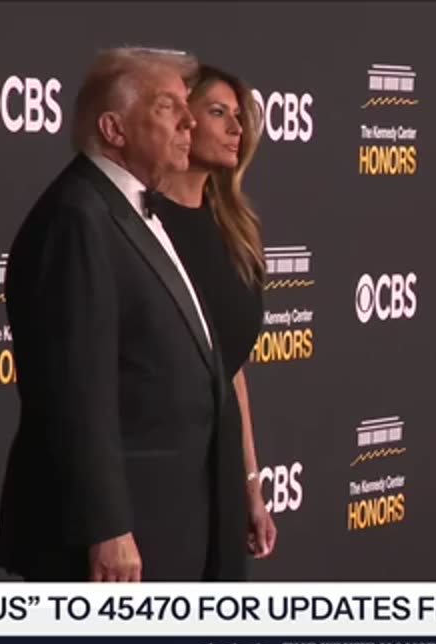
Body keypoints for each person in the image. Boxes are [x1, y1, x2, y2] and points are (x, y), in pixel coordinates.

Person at [0, 46, 244, 644]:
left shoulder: (128, 210)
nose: (188, 122)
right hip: (108, 544)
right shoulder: (79, 215)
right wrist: (107, 527)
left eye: (188, 108)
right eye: (168, 108)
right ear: (113, 128)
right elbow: (75, 390)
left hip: (164, 528)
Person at [153, 64, 278, 565]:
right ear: (184, 120)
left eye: (239, 117)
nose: (235, 128)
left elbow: (229, 368)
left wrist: (251, 486)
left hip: (221, 462)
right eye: (219, 112)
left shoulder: (234, 229)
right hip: (160, 466)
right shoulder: (140, 225)